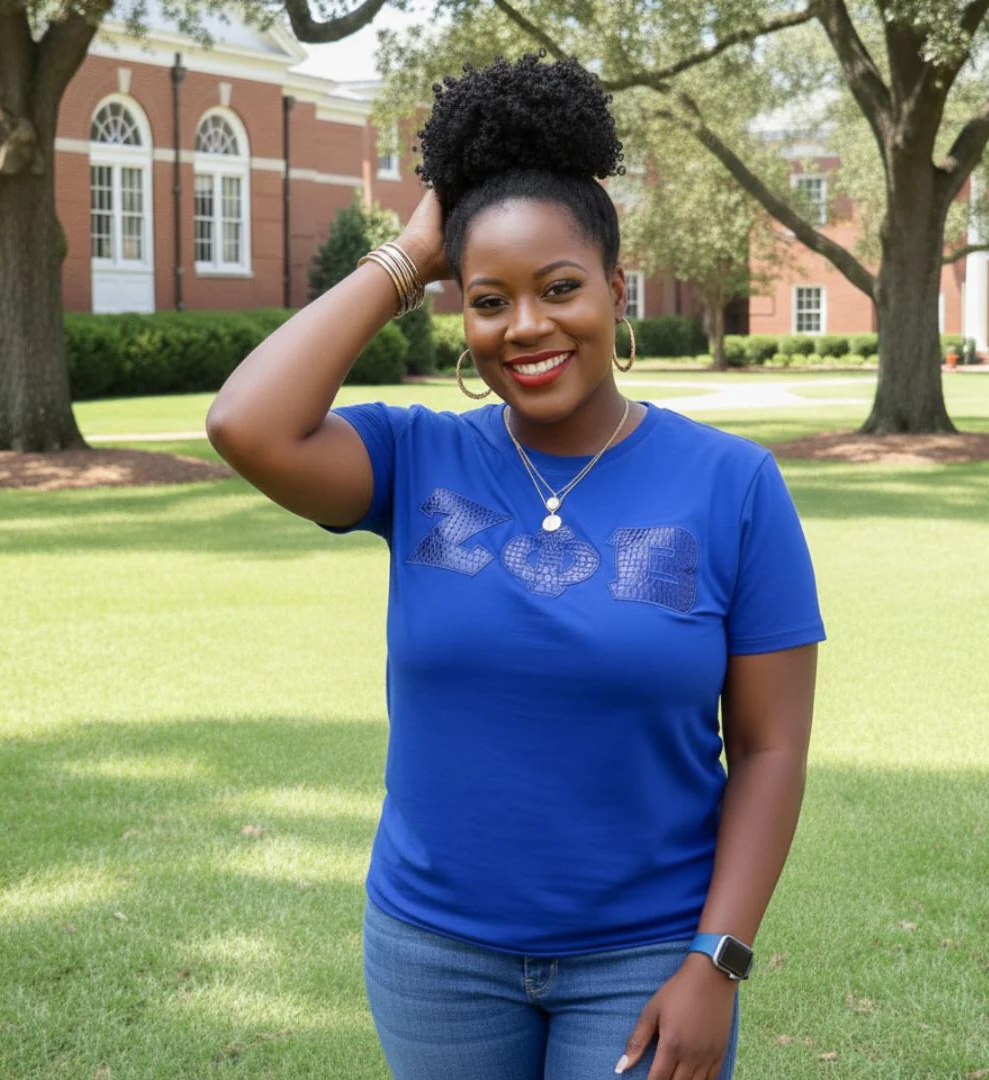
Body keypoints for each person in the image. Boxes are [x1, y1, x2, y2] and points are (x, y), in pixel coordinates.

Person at [206, 51, 826, 1080]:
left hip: (644, 956)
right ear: (458, 311)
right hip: (434, 954)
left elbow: (769, 749)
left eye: (560, 287)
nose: (526, 326)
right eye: (488, 298)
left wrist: (716, 960)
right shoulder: (414, 458)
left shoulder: (734, 485)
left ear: (617, 291)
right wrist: (408, 252)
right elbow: (244, 423)